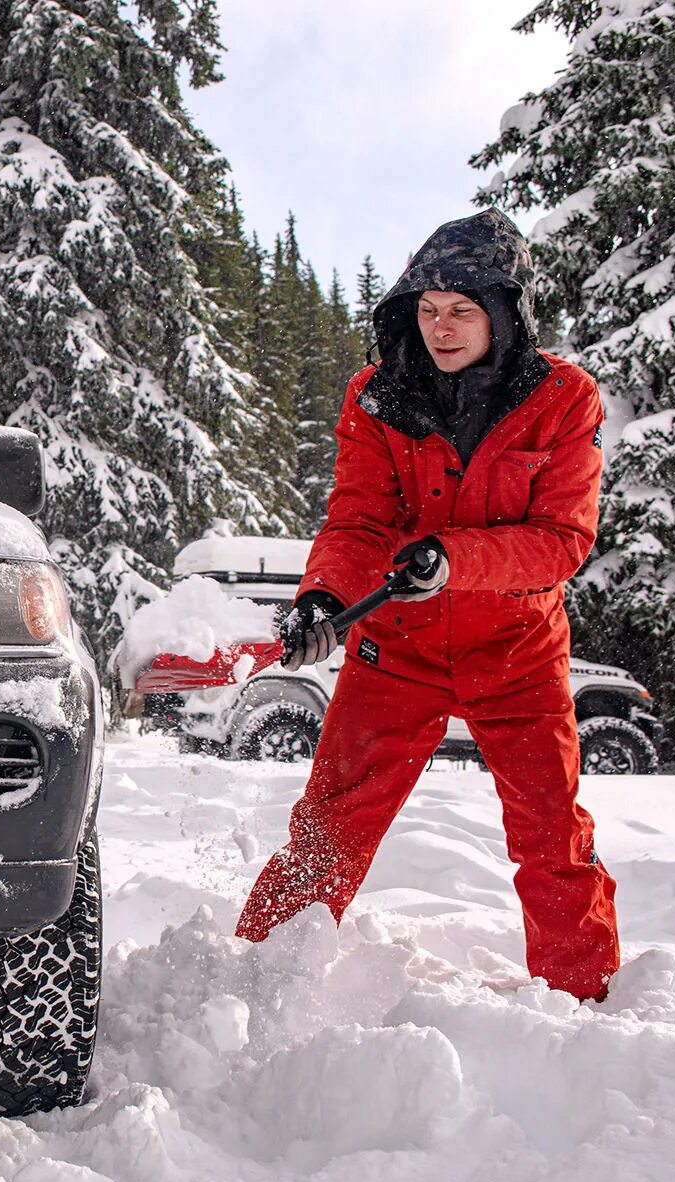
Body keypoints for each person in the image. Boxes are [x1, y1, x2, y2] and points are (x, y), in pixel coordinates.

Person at [233, 209, 620, 1003]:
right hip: (398, 651)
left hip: (517, 652)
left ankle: (583, 1003)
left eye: (463, 310)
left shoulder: (564, 399)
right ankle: (257, 980)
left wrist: (458, 559)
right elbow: (359, 520)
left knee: (551, 832)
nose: (442, 328)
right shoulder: (378, 395)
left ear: (505, 315)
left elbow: (560, 540)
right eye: (428, 309)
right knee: (331, 823)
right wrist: (323, 598)